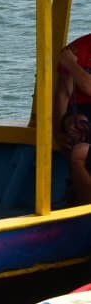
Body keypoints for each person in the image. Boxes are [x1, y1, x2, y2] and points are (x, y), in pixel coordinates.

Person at [55, 33, 91, 204]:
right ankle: (81, 199)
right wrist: (58, 131)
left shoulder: (71, 57)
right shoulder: (79, 48)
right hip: (83, 114)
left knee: (80, 153)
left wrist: (71, 63)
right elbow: (63, 93)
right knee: (75, 127)